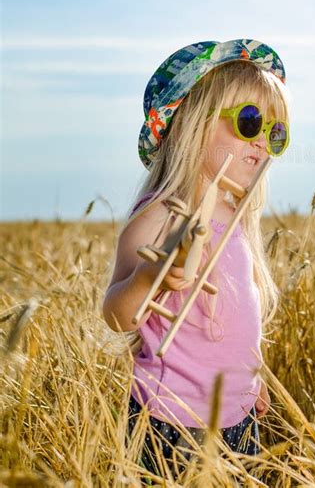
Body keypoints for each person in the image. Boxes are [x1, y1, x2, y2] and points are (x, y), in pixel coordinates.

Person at [102, 39, 290, 479]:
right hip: (170, 419)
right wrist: (151, 278)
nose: (262, 141)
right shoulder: (162, 215)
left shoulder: (237, 218)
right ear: (191, 124)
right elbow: (115, 314)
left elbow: (236, 322)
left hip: (237, 418)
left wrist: (252, 378)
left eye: (275, 131)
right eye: (249, 121)